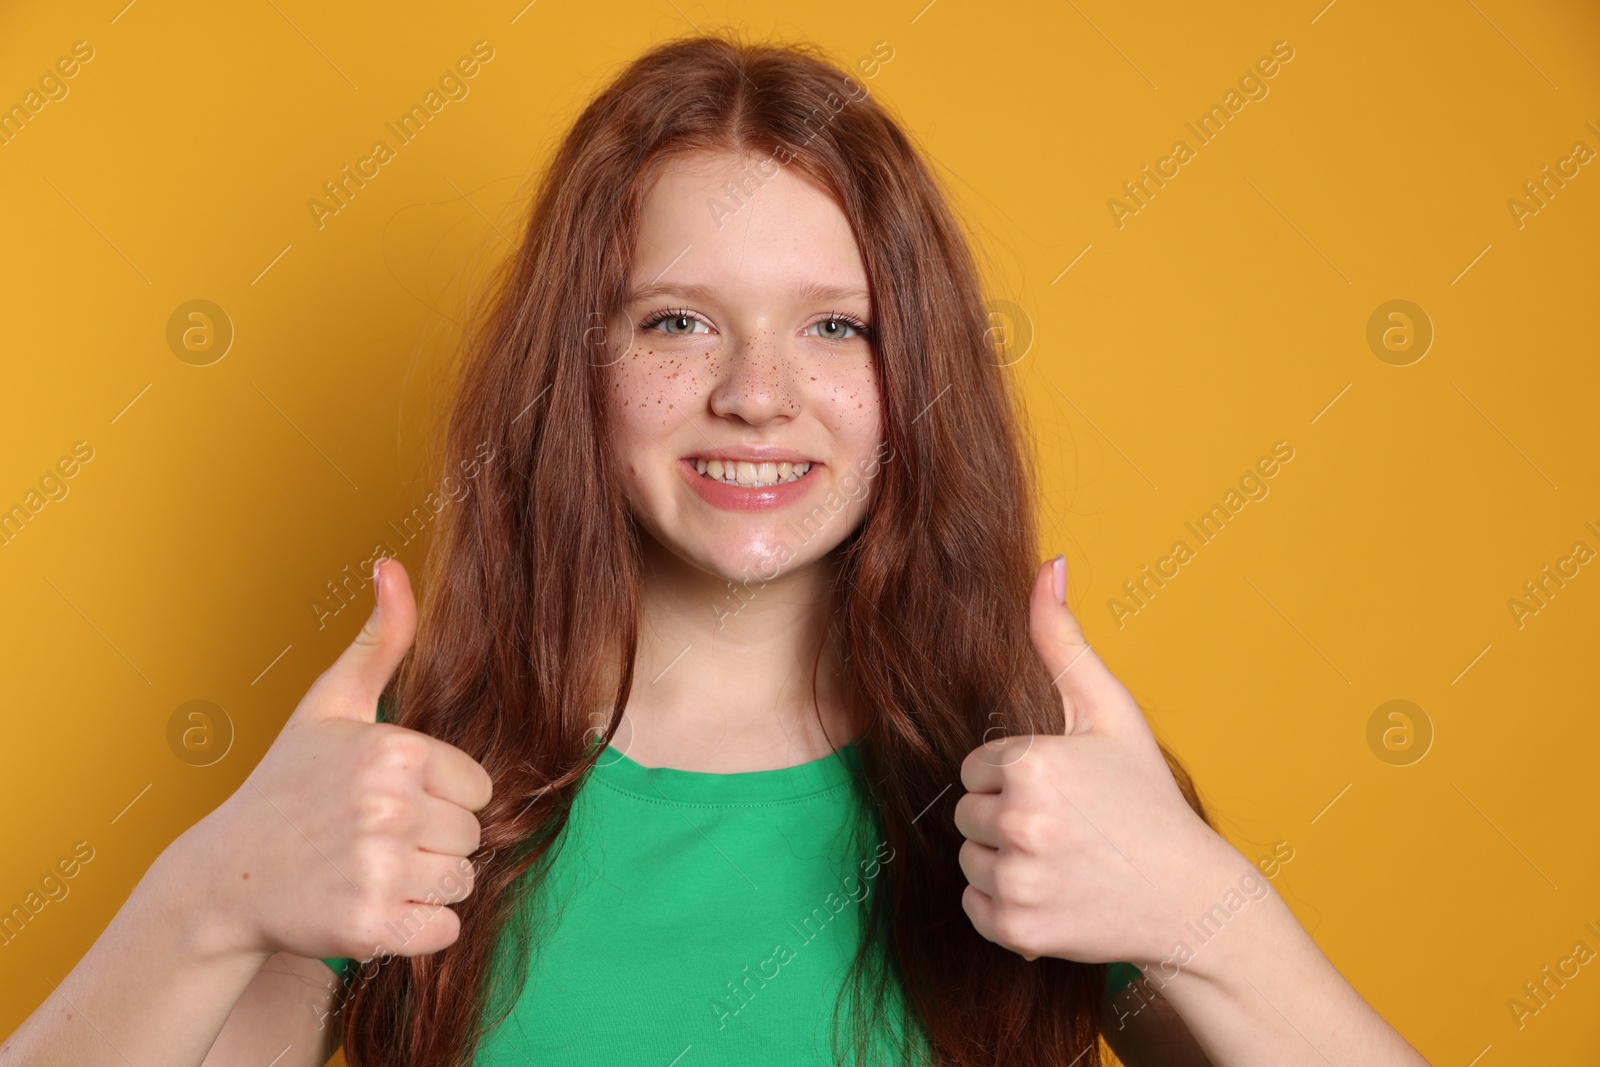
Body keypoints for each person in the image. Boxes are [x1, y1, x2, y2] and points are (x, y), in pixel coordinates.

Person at [1, 31, 1432, 1067]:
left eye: (836, 325)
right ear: (582, 365)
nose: (759, 392)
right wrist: (205, 890)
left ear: (915, 371)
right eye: (677, 320)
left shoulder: (1039, 785)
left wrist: (1205, 908)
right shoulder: (407, 781)